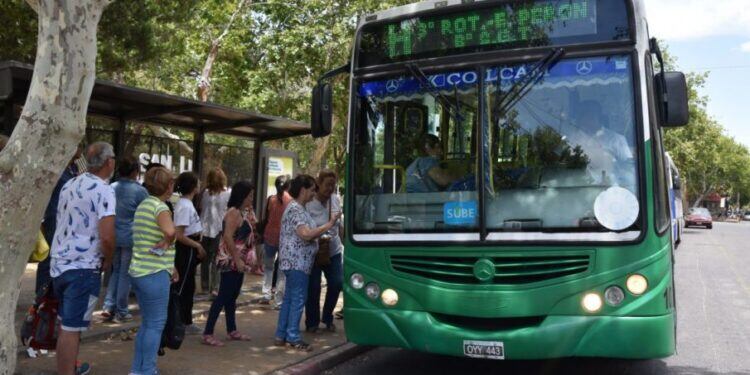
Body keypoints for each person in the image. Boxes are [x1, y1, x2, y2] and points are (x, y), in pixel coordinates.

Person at [50, 142, 116, 375]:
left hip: (60, 263)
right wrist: (109, 259)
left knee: (68, 324)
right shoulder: (104, 189)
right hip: (84, 266)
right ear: (108, 162)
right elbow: (107, 236)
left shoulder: (70, 183)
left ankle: (71, 367)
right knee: (71, 327)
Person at [274, 174, 341, 351]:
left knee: (289, 299)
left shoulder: (298, 208)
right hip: (297, 262)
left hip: (297, 262)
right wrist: (330, 224)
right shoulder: (296, 209)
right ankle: (293, 336)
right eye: (312, 190)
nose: (314, 194)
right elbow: (305, 234)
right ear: (303, 190)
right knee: (297, 299)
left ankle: (281, 334)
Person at [129, 166, 178, 375]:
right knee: (156, 324)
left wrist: (168, 257)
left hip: (139, 271)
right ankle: (147, 370)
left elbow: (149, 237)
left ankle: (138, 369)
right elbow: (170, 231)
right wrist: (168, 241)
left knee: (147, 324)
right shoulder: (161, 208)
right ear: (169, 186)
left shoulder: (143, 205)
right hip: (154, 273)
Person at [201, 180, 256, 346]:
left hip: (236, 261)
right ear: (242, 196)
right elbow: (227, 237)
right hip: (230, 261)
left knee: (232, 296)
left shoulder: (242, 212)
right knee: (223, 296)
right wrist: (237, 259)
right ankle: (208, 332)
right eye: (250, 196)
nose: (252, 199)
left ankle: (232, 329)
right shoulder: (233, 213)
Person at [101, 155, 148, 323]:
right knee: (125, 274)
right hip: (130, 238)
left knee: (116, 271)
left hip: (113, 236)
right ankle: (121, 310)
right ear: (135, 171)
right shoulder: (140, 191)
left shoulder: (111, 187)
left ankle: (108, 305)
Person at [39, 145, 82, 297]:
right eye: (78, 146)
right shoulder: (56, 168)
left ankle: (54, 294)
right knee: (49, 256)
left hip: (69, 218)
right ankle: (42, 294)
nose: (80, 150)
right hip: (54, 217)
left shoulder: (74, 168)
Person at [305, 170, 344, 333]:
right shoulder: (308, 203)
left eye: (333, 186)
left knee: (337, 283)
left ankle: (327, 317)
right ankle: (312, 322)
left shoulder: (335, 200)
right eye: (327, 185)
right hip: (314, 251)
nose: (330, 189)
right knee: (313, 287)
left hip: (333, 250)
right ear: (318, 184)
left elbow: (340, 226)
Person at [565, 100, 635, 186]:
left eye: (591, 116)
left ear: (600, 117)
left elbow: (628, 168)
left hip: (611, 190)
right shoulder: (572, 139)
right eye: (583, 116)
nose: (587, 120)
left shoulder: (616, 139)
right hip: (580, 187)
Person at [173, 171, 206, 335]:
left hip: (190, 247)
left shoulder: (186, 204)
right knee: (184, 286)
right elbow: (179, 234)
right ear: (193, 187)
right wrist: (197, 246)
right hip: (186, 249)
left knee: (189, 285)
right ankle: (182, 321)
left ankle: (185, 320)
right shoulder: (185, 206)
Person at [260, 174, 292, 307]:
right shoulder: (291, 201)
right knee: (282, 271)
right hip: (285, 239)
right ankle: (279, 301)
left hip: (269, 237)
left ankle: (266, 294)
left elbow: (266, 218)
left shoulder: (270, 200)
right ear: (288, 186)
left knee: (268, 267)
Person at [199, 168, 231, 297]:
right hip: (218, 228)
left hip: (204, 228)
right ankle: (215, 287)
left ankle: (205, 286)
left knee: (205, 259)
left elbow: (201, 208)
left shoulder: (205, 193)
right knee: (216, 259)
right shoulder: (227, 194)